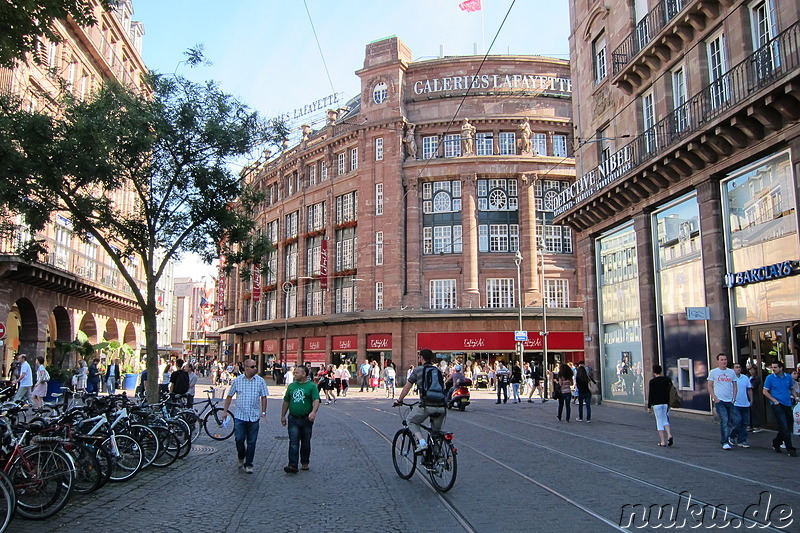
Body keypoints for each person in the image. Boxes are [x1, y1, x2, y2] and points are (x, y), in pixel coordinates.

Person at [221, 358, 268, 474]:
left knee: (252, 442)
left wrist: (263, 412)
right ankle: (241, 456)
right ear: (246, 368)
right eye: (252, 366)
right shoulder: (237, 381)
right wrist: (225, 411)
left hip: (253, 416)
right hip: (240, 416)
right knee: (239, 439)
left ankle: (249, 464)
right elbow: (229, 396)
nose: (255, 368)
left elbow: (264, 396)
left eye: (255, 366)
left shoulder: (260, 381)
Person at [394, 349, 446, 453]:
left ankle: (422, 443)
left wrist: (399, 400)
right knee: (436, 434)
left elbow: (407, 387)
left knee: (411, 421)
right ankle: (437, 460)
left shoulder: (418, 370)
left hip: (427, 405)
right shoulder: (438, 371)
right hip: (441, 406)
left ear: (421, 358)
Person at [281, 365, 320, 473]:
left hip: (306, 419)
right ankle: (292, 465)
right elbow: (286, 401)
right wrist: (283, 415)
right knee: (293, 442)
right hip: (293, 418)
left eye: (297, 372)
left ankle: (305, 462)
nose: (295, 374)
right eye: (295, 372)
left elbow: (316, 400)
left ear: (304, 374)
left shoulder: (311, 386)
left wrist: (313, 412)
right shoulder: (292, 386)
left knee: (306, 442)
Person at [762, 361, 798, 457]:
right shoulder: (770, 378)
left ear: (781, 368)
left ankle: (776, 442)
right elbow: (765, 391)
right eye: (772, 367)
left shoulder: (788, 377)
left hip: (787, 402)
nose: (773, 369)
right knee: (784, 425)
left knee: (788, 425)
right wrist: (774, 401)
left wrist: (796, 397)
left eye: (775, 367)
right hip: (777, 403)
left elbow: (791, 388)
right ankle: (790, 448)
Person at [707, 353, 737, 450]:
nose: (724, 361)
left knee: (736, 420)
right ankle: (724, 441)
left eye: (725, 359)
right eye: (722, 360)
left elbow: (735, 384)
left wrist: (734, 397)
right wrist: (714, 397)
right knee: (724, 419)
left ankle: (730, 436)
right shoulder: (713, 372)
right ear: (718, 361)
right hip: (720, 400)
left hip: (729, 400)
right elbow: (710, 385)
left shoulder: (731, 372)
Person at [647, 365, 674, 447]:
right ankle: (669, 435)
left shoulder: (653, 382)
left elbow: (651, 394)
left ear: (654, 372)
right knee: (665, 419)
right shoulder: (667, 380)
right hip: (665, 403)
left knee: (659, 421)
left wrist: (649, 406)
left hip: (656, 404)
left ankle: (662, 441)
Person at [730, 363, 752, 448]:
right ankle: (732, 436)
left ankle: (742, 440)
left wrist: (751, 400)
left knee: (745, 423)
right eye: (736, 367)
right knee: (737, 421)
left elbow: (749, 389)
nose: (738, 369)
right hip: (735, 403)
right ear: (732, 369)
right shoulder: (730, 379)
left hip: (745, 403)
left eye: (739, 367)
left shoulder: (745, 378)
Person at [748, 365, 764, 433]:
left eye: (752, 370)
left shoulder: (757, 378)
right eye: (750, 370)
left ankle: (757, 426)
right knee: (749, 411)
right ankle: (750, 425)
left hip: (755, 395)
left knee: (755, 410)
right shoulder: (747, 377)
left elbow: (753, 386)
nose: (751, 371)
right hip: (747, 396)